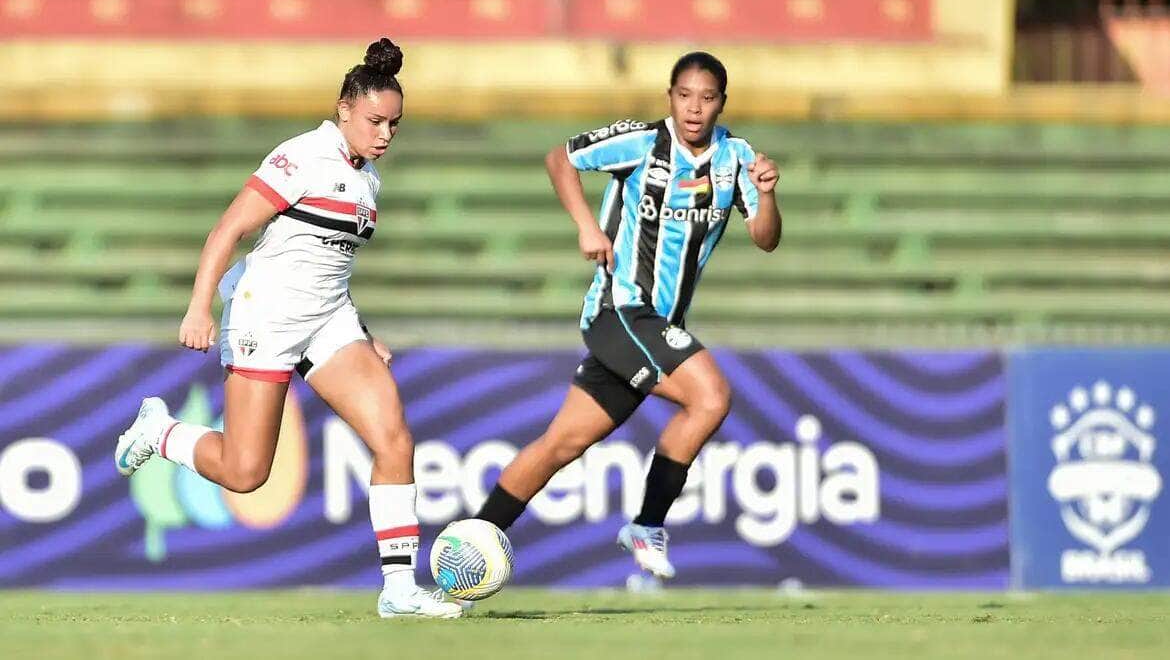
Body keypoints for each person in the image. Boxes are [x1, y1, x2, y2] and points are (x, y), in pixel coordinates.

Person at [113, 38, 463, 619]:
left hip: (330, 320)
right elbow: (228, 230)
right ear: (343, 110)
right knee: (245, 472)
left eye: (394, 125)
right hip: (266, 317)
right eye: (375, 121)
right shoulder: (301, 157)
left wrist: (363, 331)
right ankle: (162, 431)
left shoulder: (368, 179)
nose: (385, 134)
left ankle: (399, 589)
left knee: (394, 439)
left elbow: (329, 266)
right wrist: (199, 307)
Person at [474, 52, 781, 579]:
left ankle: (468, 549)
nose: (694, 108)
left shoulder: (737, 157)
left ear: (721, 104)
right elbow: (560, 158)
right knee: (710, 397)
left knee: (560, 444)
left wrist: (768, 196)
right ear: (670, 97)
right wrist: (586, 226)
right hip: (619, 311)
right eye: (684, 95)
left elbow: (766, 238)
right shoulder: (641, 143)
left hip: (656, 328)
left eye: (707, 98)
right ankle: (646, 526)